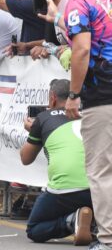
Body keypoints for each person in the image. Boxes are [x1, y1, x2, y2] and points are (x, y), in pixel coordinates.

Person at [52, 0, 112, 250]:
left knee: (102, 170)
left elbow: (82, 49)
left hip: (102, 95)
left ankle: (108, 240)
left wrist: (73, 94)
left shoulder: (79, 2)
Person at [20, 79, 93, 245]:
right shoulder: (92, 115)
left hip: (65, 189)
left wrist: (34, 132)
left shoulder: (43, 118)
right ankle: (94, 224)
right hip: (100, 187)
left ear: (52, 98)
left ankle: (72, 221)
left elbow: (26, 159)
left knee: (34, 229)